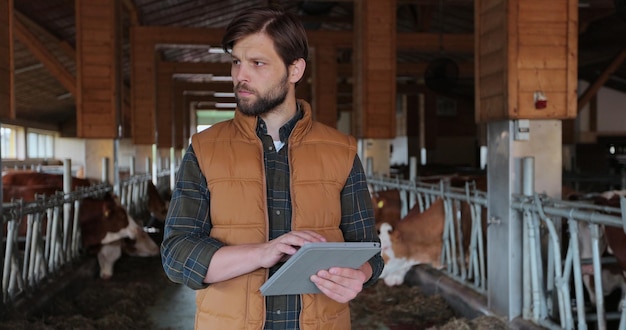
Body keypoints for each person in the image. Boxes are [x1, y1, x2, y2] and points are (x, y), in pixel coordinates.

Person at [161, 6, 383, 330]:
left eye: (258, 64)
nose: (240, 76)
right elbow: (177, 255)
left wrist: (359, 275)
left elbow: (369, 252)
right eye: (236, 61)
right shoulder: (204, 149)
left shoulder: (342, 151)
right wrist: (263, 253)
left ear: (295, 70)